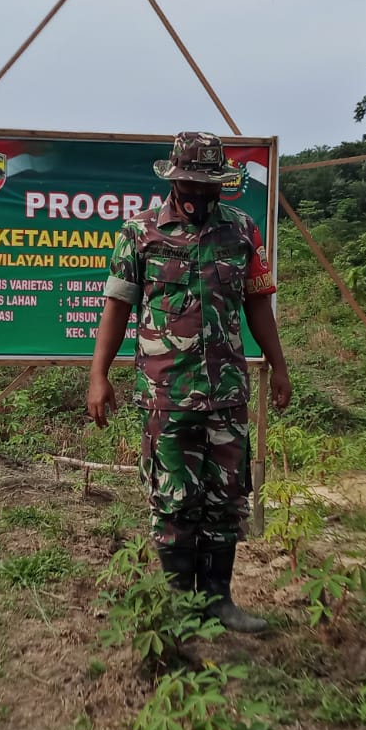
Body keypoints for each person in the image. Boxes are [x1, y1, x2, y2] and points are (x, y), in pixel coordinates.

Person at [86, 131, 291, 634]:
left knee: (226, 500)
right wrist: (98, 376)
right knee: (174, 500)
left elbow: (257, 304)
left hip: (227, 396)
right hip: (166, 396)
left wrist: (279, 365)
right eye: (191, 184)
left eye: (210, 185)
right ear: (174, 179)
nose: (200, 194)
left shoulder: (242, 231)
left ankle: (219, 602)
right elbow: (117, 307)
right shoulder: (141, 233)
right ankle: (180, 609)